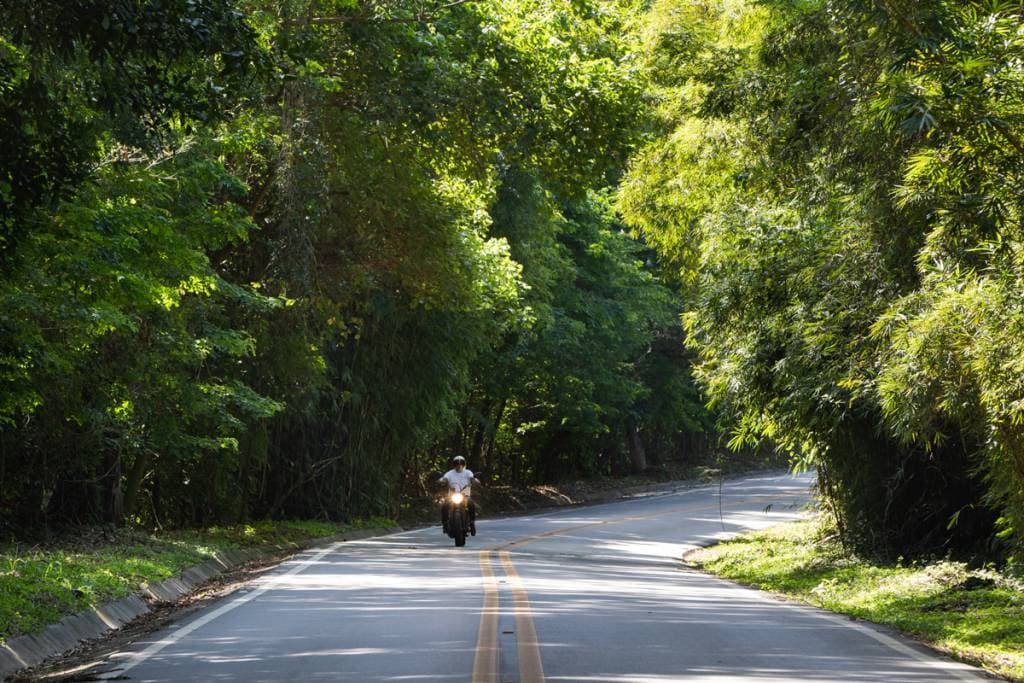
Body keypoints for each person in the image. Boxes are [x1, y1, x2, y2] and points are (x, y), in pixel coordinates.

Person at [439, 456, 479, 536]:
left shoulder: (468, 472)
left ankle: (472, 523)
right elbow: (445, 478)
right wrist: (442, 481)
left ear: (464, 464)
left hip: (465, 493)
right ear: (454, 464)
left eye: (461, 463)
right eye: (457, 463)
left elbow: (472, 478)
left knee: (471, 504)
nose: (459, 465)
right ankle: (445, 524)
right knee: (444, 506)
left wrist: (474, 481)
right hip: (452, 494)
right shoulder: (450, 473)